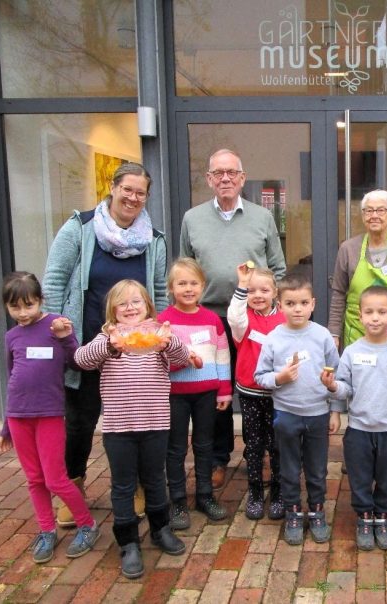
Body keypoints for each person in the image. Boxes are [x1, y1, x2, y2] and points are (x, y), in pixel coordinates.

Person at [43, 162, 167, 527]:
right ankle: (73, 486)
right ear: (113, 187)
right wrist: (57, 331)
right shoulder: (79, 228)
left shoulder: (153, 240)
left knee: (134, 420)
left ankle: (137, 486)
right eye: (127, 189)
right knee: (80, 420)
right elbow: (54, 280)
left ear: (146, 197)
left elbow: (158, 291)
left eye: (140, 192)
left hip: (135, 350)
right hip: (84, 343)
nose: (132, 197)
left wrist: (154, 337)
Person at [180, 148, 286, 490]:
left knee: (263, 385)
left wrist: (271, 308)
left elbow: (278, 268)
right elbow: (186, 269)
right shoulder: (192, 219)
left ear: (242, 178)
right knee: (217, 389)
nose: (225, 178)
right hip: (209, 320)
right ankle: (219, 457)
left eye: (231, 172)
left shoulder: (262, 218)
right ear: (209, 179)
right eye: (218, 173)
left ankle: (267, 453)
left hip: (255, 321)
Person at [74, 280, 190, 579]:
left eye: (136, 302)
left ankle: (160, 528)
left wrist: (170, 342)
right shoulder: (107, 338)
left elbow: (181, 358)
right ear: (113, 309)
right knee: (123, 485)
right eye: (122, 303)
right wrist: (109, 344)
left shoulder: (159, 334)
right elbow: (81, 360)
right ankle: (128, 542)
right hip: (119, 427)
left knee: (154, 479)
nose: (130, 308)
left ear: (147, 306)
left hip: (155, 423)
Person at [0, 272, 100, 564]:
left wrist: (65, 337)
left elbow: (76, 361)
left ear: (40, 300)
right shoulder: (11, 336)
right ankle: (46, 529)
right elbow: (11, 378)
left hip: (50, 415)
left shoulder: (55, 325)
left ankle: (86, 524)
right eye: (15, 307)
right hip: (19, 417)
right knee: (34, 479)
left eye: (28, 305)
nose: (22, 313)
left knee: (56, 479)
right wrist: (6, 424)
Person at [322, 285, 387, 551]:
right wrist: (332, 388)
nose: (375, 317)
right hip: (359, 430)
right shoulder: (352, 352)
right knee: (360, 477)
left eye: (382, 312)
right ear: (359, 315)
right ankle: (365, 516)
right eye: (369, 312)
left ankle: (382, 516)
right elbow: (345, 388)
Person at [254, 275, 340, 545]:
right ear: (280, 305)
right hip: (286, 414)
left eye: (303, 302)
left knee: (316, 468)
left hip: (317, 414)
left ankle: (316, 509)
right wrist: (279, 378)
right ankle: (293, 511)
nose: (298, 309)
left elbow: (336, 375)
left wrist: (335, 409)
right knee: (289, 468)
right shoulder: (274, 338)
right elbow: (260, 376)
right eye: (290, 303)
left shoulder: (322, 335)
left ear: (313, 303)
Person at [158, 258, 232, 529]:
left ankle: (204, 495)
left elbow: (223, 356)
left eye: (193, 283)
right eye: (181, 283)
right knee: (176, 448)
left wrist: (224, 390)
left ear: (203, 286)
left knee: (204, 445)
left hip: (206, 394)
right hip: (175, 394)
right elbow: (159, 359)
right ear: (171, 288)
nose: (188, 289)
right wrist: (181, 360)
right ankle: (177, 500)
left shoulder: (212, 320)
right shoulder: (164, 321)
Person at [226, 263, 286, 520]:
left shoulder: (283, 320)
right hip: (250, 392)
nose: (258, 295)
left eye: (264, 290)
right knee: (253, 444)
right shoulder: (244, 321)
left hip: (278, 394)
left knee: (277, 444)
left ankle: (278, 491)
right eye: (252, 291)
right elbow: (234, 316)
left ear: (275, 292)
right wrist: (241, 285)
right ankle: (255, 492)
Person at [328, 189, 387, 349]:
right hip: (356, 329)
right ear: (363, 216)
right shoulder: (348, 249)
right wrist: (334, 333)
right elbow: (338, 294)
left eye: (381, 210)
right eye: (369, 211)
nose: (374, 215)